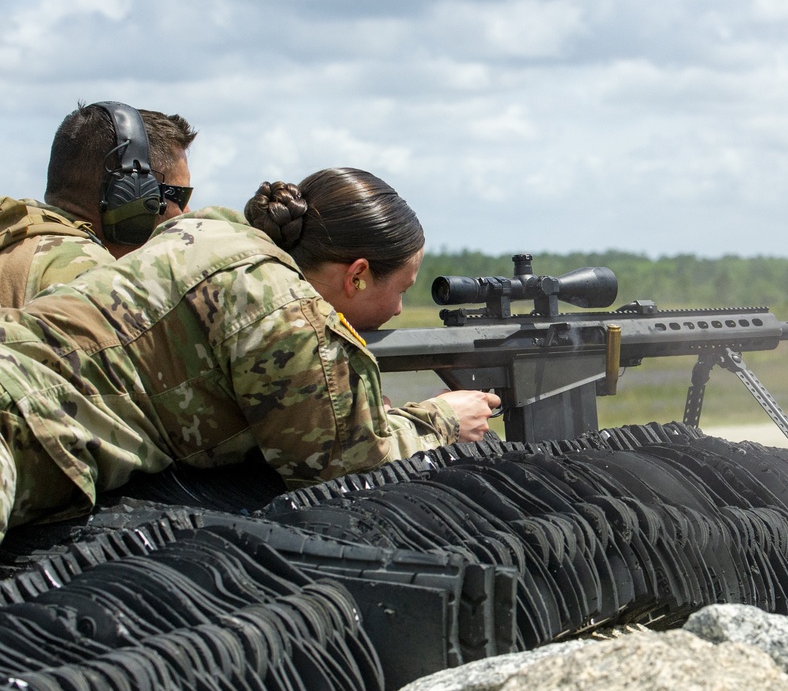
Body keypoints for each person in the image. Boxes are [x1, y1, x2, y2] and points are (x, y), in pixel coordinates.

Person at [0, 167, 500, 542]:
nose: (397, 308)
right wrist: (442, 420)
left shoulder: (210, 233)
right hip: (20, 423)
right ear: (358, 274)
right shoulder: (284, 310)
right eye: (402, 289)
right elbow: (348, 470)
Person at [0, 101, 197, 307]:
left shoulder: (15, 239)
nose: (186, 212)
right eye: (180, 195)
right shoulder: (87, 274)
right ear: (133, 196)